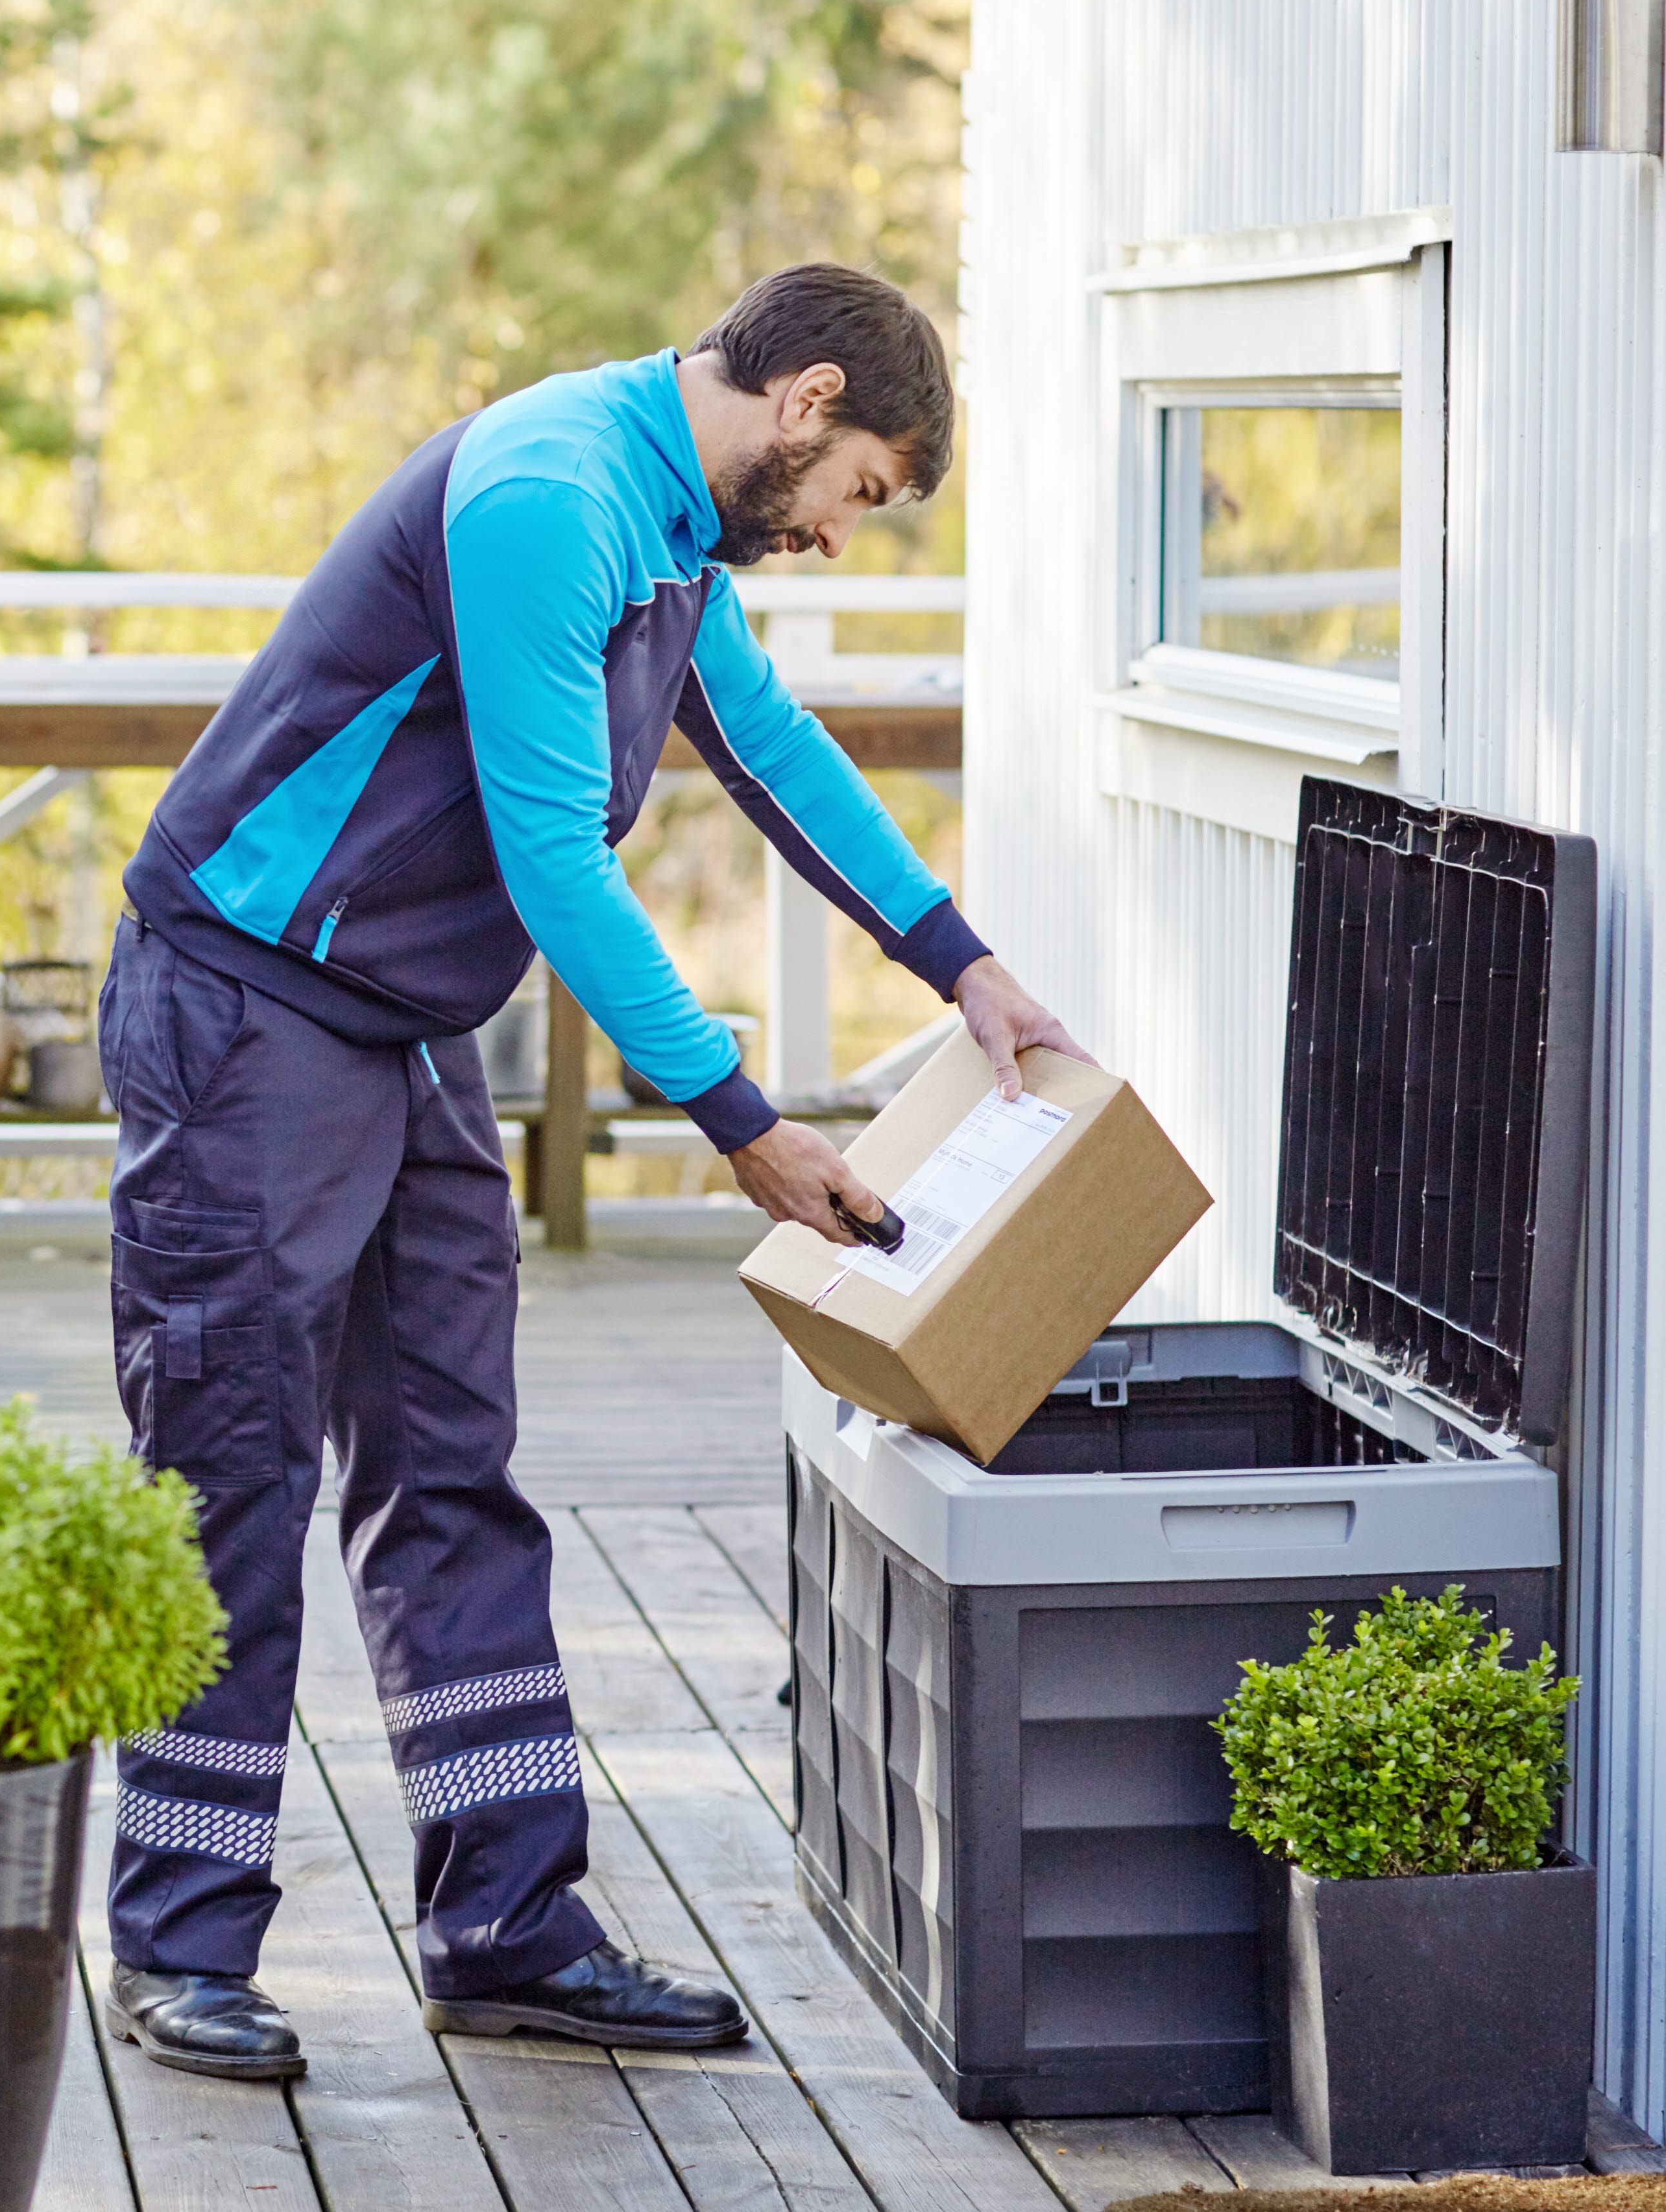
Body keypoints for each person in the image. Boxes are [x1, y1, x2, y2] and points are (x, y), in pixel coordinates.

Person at [95, 263, 1087, 2079]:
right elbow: (554, 854)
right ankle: (179, 1941)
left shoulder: (670, 520)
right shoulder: (558, 496)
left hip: (396, 1027)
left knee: (453, 1470)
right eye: (862, 488)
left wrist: (970, 968)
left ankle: (505, 1928)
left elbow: (768, 752)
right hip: (246, 1005)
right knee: (230, 1469)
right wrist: (743, 1125)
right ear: (800, 405)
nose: (845, 535)